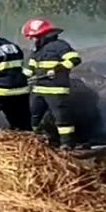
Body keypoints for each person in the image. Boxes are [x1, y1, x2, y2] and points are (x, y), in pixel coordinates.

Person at [21, 18, 82, 150]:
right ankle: (35, 140)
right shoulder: (37, 49)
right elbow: (30, 68)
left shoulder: (60, 46)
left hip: (56, 90)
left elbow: (75, 59)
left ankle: (67, 143)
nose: (32, 40)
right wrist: (21, 78)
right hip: (37, 90)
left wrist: (58, 69)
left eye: (33, 37)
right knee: (34, 115)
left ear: (42, 35)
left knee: (61, 118)